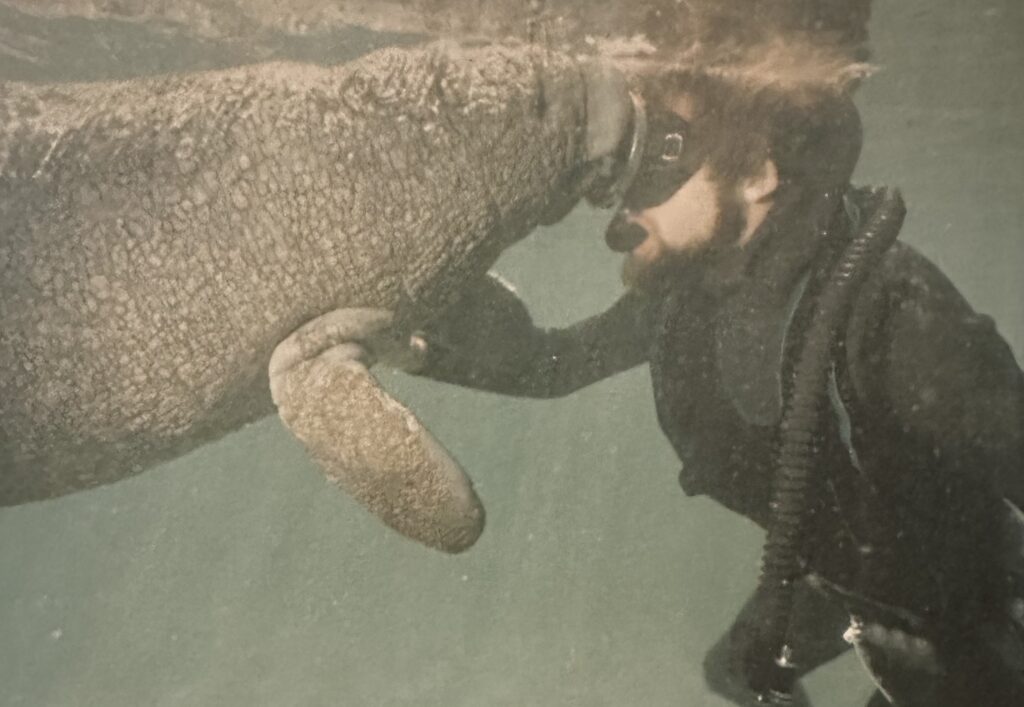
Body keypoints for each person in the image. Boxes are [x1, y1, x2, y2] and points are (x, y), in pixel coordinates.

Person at [392, 38, 1024, 707]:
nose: (623, 212)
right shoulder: (687, 301)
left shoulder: (889, 315)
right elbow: (555, 362)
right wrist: (412, 335)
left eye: (660, 162)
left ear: (756, 170)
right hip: (856, 586)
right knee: (735, 671)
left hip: (984, 609)